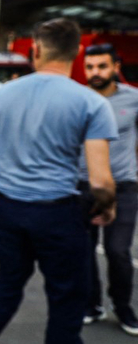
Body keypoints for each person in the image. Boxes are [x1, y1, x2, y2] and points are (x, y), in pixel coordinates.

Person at [0, 18, 118, 344]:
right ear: (76, 54)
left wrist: (11, 140)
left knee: (6, 287)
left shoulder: (2, 94)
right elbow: (101, 181)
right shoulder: (91, 103)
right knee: (66, 298)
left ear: (35, 51)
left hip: (8, 209)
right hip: (57, 212)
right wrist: (107, 207)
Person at [78, 43, 138, 335]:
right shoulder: (78, 99)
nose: (95, 72)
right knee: (83, 250)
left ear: (116, 66)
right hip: (82, 185)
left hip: (123, 187)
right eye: (90, 67)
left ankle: (123, 306)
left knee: (118, 251)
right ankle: (91, 304)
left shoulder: (135, 99)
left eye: (102, 66)